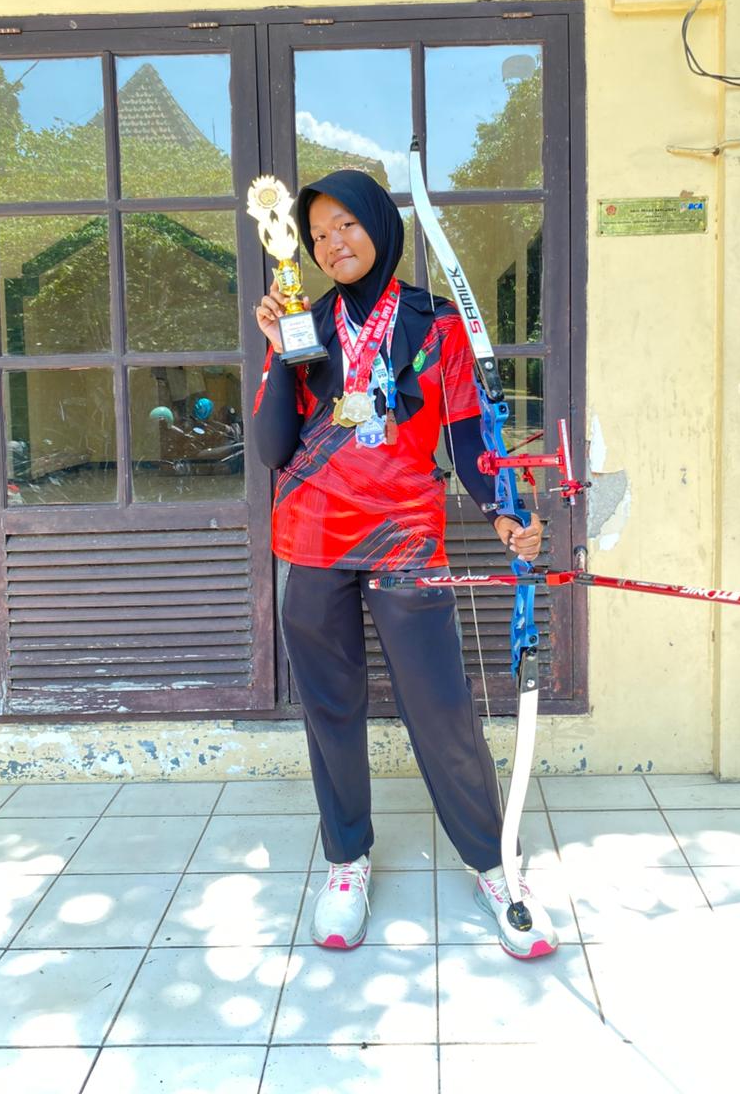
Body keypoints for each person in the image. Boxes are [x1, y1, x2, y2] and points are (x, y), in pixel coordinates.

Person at [252, 169, 558, 959]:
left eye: (346, 225)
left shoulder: (435, 322)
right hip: (313, 540)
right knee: (330, 710)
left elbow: (470, 432)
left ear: (379, 226)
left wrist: (506, 512)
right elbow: (272, 448)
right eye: (319, 234)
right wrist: (278, 356)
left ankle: (493, 865)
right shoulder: (305, 324)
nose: (332, 243)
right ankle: (346, 862)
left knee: (440, 707)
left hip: (406, 540)